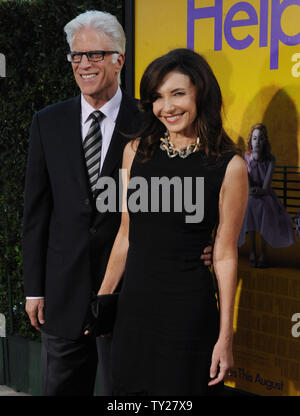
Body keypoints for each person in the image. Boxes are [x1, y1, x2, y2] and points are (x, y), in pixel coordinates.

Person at [22, 11, 212, 396]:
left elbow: (192, 179)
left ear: (119, 60)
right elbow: (36, 212)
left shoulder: (152, 118)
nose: (83, 64)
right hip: (64, 292)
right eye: (76, 56)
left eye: (94, 54)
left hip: (132, 294)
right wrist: (34, 289)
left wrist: (202, 241)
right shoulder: (48, 121)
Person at [96, 48, 249, 395]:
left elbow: (225, 256)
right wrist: (103, 299)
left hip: (187, 314)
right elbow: (125, 234)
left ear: (201, 93)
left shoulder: (230, 166)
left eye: (178, 93)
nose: (167, 107)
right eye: (157, 97)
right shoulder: (134, 151)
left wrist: (226, 337)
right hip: (133, 312)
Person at [238, 123, 295, 267]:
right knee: (249, 204)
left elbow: (266, 186)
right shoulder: (246, 157)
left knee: (263, 207)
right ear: (251, 140)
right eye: (255, 138)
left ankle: (263, 251)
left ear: (265, 141)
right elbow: (246, 181)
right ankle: (252, 250)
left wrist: (259, 191)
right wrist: (251, 190)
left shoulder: (270, 160)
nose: (257, 142)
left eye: (261, 138)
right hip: (250, 194)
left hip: (266, 195)